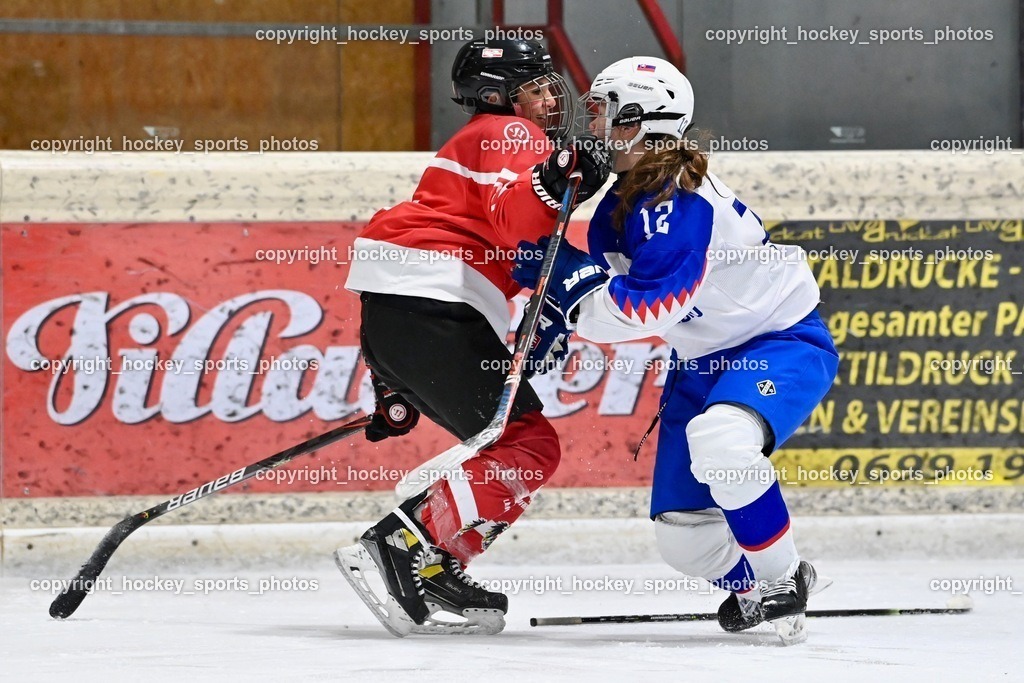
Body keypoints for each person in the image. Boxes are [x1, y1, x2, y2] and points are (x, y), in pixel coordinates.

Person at [513, 56, 838, 645]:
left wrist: (573, 289)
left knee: (723, 441)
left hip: (779, 342)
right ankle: (755, 588)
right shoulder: (623, 202)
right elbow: (614, 293)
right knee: (685, 540)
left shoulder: (677, 198)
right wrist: (559, 309)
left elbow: (653, 306)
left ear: (639, 119)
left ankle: (783, 579)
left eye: (603, 111)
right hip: (701, 359)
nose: (593, 124)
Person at [335, 38, 610, 637]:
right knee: (527, 445)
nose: (548, 100)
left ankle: (434, 563)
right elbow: (517, 220)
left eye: (548, 88)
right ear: (498, 95)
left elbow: (404, 272)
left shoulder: (479, 141)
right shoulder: (511, 133)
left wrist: (392, 384)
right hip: (434, 310)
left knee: (516, 444)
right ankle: (404, 542)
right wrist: (555, 177)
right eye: (534, 89)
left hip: (404, 317)